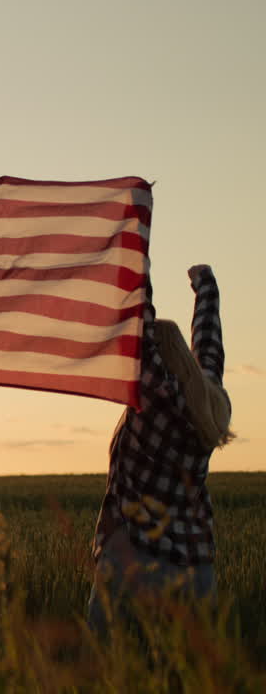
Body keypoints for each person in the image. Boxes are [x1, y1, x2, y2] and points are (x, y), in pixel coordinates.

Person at [87, 264, 232, 631]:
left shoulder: (152, 395)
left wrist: (138, 250)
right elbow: (209, 343)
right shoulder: (210, 405)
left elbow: (138, 312)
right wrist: (205, 288)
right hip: (197, 573)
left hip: (133, 562)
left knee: (109, 672)